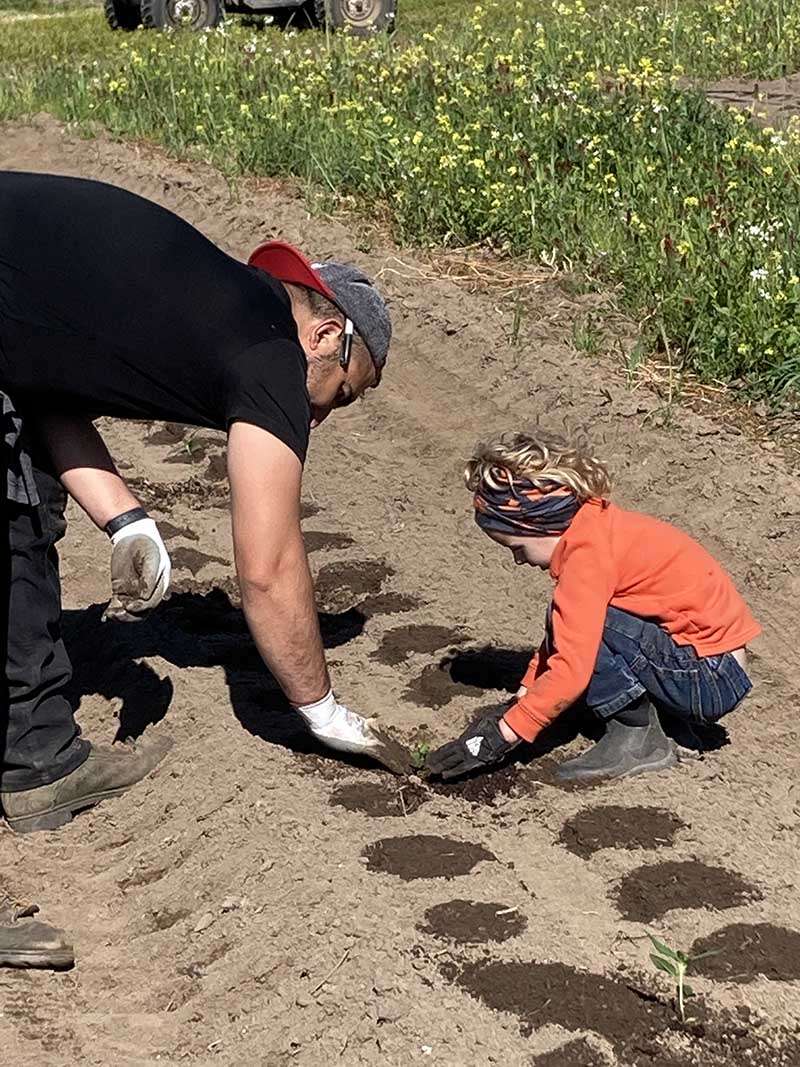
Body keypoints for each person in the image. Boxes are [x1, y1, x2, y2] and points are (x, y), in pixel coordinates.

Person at [0, 170, 409, 837]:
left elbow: (41, 380)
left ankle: (39, 761)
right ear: (326, 334)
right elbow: (268, 568)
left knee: (24, 496)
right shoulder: (273, 358)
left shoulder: (220, 304)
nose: (323, 415)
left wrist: (125, 518)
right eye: (342, 393)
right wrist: (321, 708)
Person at [426, 430, 760, 782]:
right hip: (712, 669)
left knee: (592, 629)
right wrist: (527, 691)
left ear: (536, 524)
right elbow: (562, 628)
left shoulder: (586, 561)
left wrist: (503, 735)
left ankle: (636, 737)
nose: (518, 561)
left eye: (517, 548)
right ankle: (670, 725)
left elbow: (572, 666)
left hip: (706, 681)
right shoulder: (597, 528)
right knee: (576, 618)